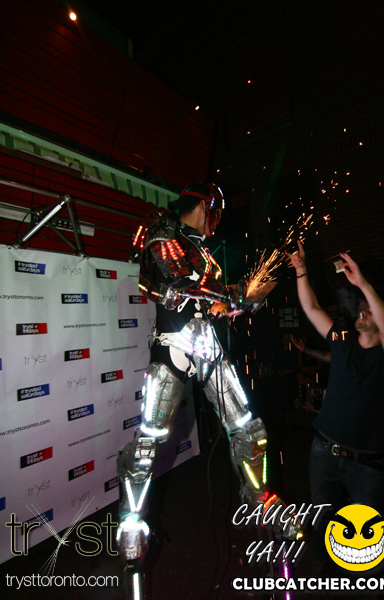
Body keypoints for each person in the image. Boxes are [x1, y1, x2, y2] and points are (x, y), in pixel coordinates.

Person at [117, 183, 299, 587]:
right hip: (173, 346)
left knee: (248, 429)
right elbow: (180, 283)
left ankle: (261, 501)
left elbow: (208, 303)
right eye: (212, 211)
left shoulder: (200, 250)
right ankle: (131, 524)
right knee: (148, 441)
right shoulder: (164, 233)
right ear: (202, 206)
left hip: (205, 344)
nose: (215, 219)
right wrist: (231, 296)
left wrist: (240, 302)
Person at [288, 241, 384, 564]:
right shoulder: (342, 339)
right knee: (321, 522)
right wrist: (301, 271)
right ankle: (323, 569)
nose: (362, 311)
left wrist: (364, 284)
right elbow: (312, 308)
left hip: (366, 464)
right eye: (360, 307)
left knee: (365, 534)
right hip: (324, 451)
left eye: (369, 309)